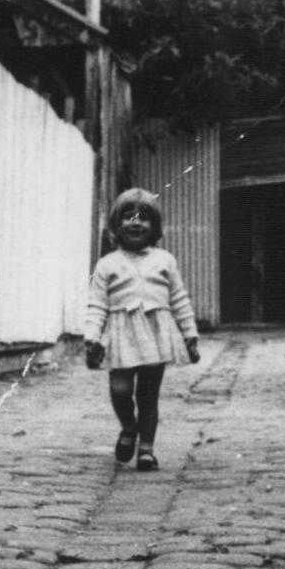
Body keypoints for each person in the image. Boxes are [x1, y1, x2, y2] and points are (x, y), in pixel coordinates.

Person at [84, 188, 200, 471]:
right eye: (128, 217)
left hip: (156, 333)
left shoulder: (165, 261)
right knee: (120, 390)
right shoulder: (107, 264)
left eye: (143, 218)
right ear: (116, 224)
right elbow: (97, 304)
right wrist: (92, 337)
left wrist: (190, 335)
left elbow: (179, 299)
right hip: (121, 334)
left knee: (148, 394)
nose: (135, 223)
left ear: (155, 227)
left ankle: (146, 449)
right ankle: (128, 427)